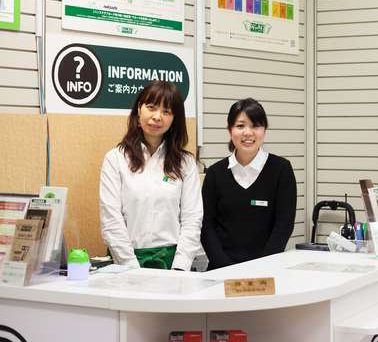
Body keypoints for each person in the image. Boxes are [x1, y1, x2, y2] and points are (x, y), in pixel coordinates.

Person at [100, 81, 203, 271]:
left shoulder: (185, 163)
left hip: (172, 262)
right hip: (126, 262)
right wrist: (130, 267)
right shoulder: (115, 159)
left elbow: (192, 218)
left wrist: (180, 266)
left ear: (174, 119)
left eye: (166, 111)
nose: (157, 117)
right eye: (151, 107)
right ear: (139, 109)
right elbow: (111, 218)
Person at [201, 98, 297, 270]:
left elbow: (284, 225)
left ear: (264, 130)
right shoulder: (215, 173)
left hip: (267, 271)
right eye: (240, 126)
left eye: (255, 126)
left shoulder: (281, 169)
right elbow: (206, 226)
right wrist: (226, 268)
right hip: (220, 271)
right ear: (229, 130)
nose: (248, 132)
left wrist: (260, 267)